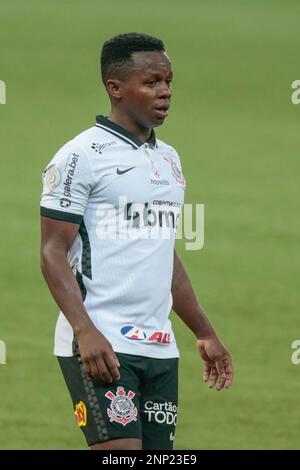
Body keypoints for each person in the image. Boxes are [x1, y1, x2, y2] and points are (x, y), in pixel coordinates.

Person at [40, 32, 233, 451]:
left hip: (159, 346)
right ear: (115, 88)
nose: (165, 92)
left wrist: (203, 331)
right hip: (101, 342)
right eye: (151, 82)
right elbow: (52, 251)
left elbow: (164, 255)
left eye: (168, 81)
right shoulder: (80, 156)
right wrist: (84, 332)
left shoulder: (169, 159)